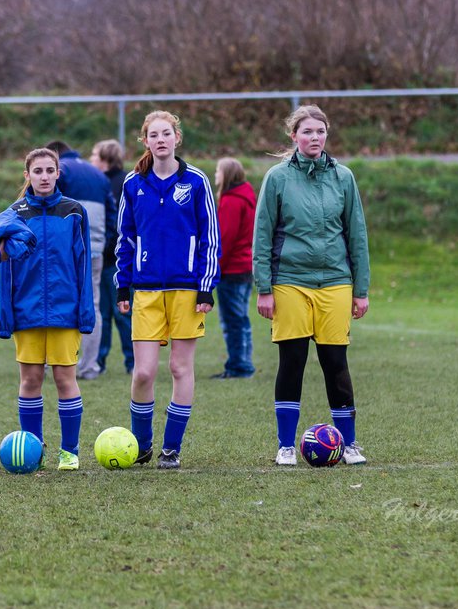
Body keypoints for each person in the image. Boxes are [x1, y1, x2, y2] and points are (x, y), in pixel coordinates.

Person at [253, 104, 370, 467]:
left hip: (336, 282)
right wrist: (264, 287)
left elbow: (357, 235)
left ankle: (349, 444)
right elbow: (262, 234)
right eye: (307, 132)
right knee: (292, 362)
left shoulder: (344, 177)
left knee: (336, 362)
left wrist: (360, 289)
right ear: (294, 136)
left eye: (320, 132)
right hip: (289, 282)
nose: (314, 138)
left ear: (327, 135)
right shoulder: (277, 177)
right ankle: (286, 445)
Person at [115, 111, 220, 469]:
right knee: (143, 372)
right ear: (145, 142)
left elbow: (210, 238)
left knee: (179, 367)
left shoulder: (196, 181)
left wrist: (206, 287)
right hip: (145, 290)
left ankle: (171, 449)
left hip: (187, 290)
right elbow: (125, 239)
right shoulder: (133, 184)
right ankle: (141, 445)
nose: (160, 140)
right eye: (153, 135)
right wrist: (123, 285)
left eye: (166, 134)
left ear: (177, 138)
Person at [0, 148, 95, 470]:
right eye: (38, 171)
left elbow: (83, 264)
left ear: (58, 173)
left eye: (50, 170)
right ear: (27, 175)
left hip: (65, 311)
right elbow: (0, 263)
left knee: (64, 379)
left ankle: (69, 452)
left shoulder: (74, 212)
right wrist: (6, 315)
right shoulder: (13, 214)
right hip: (26, 311)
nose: (44, 176)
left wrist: (84, 311)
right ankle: (33, 451)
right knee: (31, 380)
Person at [47, 139, 116, 380]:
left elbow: (48, 208)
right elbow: (112, 214)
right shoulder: (98, 174)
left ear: (54, 156)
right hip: (95, 250)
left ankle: (56, 362)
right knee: (93, 306)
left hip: (64, 251)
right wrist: (105, 243)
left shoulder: (59, 170)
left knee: (56, 301)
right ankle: (89, 367)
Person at [90, 138, 134, 375]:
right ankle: (99, 361)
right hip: (102, 260)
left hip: (118, 263)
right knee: (102, 314)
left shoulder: (124, 182)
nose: (91, 159)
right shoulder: (97, 182)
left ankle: (133, 362)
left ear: (106, 157)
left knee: (123, 314)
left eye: (95, 154)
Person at [212, 157, 257, 379]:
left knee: (233, 321)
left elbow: (225, 240)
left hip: (232, 269)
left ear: (227, 174)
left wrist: (214, 269)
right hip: (246, 266)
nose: (215, 176)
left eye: (218, 171)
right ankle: (243, 362)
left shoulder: (231, 201)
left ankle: (239, 365)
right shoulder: (247, 197)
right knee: (241, 319)